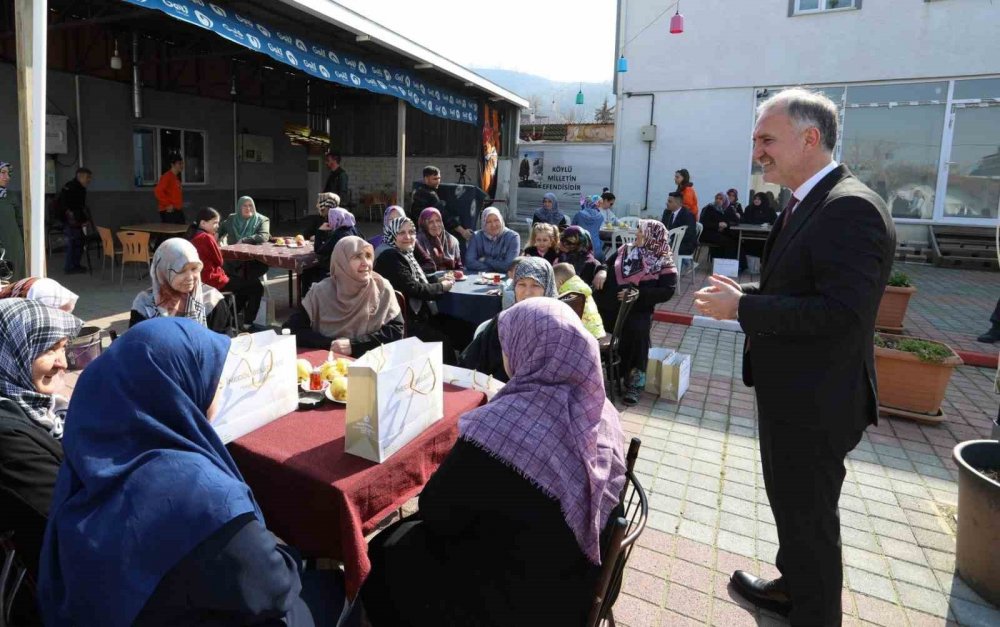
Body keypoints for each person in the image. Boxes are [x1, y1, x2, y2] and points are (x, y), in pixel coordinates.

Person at [693, 88, 896, 626]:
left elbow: (841, 312)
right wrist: (751, 293)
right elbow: (805, 284)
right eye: (756, 139)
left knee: (810, 521)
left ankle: (815, 613)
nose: (758, 151)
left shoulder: (849, 207)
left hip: (818, 401)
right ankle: (793, 588)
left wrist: (745, 308)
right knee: (795, 511)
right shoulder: (809, 200)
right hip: (795, 395)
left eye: (767, 139)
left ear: (809, 138)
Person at [38, 318, 340, 626]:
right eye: (214, 380)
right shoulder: (200, 494)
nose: (218, 392)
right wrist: (287, 550)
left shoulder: (87, 456)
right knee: (334, 591)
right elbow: (274, 588)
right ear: (178, 386)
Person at [360, 297, 626, 627]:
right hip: (581, 584)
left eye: (507, 343)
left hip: (519, 603)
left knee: (386, 552)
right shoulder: (602, 413)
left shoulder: (501, 429)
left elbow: (437, 511)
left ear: (527, 348)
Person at [0, 299, 81, 594]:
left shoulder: (46, 407)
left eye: (62, 347)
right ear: (11, 353)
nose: (63, 362)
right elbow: (68, 515)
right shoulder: (7, 438)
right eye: (49, 349)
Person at [594, 219, 677, 406]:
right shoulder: (626, 249)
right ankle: (614, 377)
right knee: (603, 334)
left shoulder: (663, 260)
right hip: (609, 307)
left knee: (637, 334)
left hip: (638, 309)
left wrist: (638, 294)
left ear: (652, 236)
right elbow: (605, 264)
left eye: (641, 231)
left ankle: (634, 384)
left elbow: (668, 290)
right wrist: (602, 271)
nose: (637, 234)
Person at [284, 237, 404, 354]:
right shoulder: (321, 292)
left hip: (371, 363)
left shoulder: (381, 287)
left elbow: (396, 331)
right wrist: (331, 344)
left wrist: (354, 345)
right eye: (357, 257)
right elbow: (292, 329)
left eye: (368, 256)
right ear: (342, 261)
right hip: (329, 365)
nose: (366, 263)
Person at [373, 217, 463, 364]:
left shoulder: (403, 252)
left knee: (460, 327)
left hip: (415, 314)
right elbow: (414, 288)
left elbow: (414, 280)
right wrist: (442, 287)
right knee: (444, 341)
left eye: (411, 232)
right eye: (401, 232)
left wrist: (437, 281)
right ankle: (449, 379)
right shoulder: (389, 256)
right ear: (392, 234)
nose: (408, 237)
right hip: (402, 321)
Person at [459, 257, 557, 382]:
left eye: (536, 285)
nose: (527, 292)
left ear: (547, 288)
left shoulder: (557, 325)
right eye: (521, 284)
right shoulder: (504, 321)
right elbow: (470, 361)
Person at [130, 238, 234, 335]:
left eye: (194, 269)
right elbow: (137, 346)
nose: (190, 277)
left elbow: (224, 345)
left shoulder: (212, 301)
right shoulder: (145, 305)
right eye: (181, 270)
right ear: (163, 272)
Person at [186, 207, 263, 327]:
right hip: (212, 279)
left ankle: (231, 320)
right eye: (215, 223)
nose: (217, 226)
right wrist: (219, 245)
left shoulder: (193, 235)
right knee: (256, 286)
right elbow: (219, 260)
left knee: (244, 285)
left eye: (218, 222)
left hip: (201, 279)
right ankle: (247, 323)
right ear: (203, 223)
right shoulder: (206, 237)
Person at [219, 195, 271, 283]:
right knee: (227, 270)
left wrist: (244, 240)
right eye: (245, 206)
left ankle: (244, 288)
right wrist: (216, 236)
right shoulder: (232, 219)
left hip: (254, 259)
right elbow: (219, 229)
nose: (248, 208)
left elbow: (264, 236)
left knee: (246, 275)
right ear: (239, 207)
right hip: (233, 259)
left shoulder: (262, 220)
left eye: (250, 205)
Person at [553, 262, 606, 340]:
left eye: (554, 283)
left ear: (560, 282)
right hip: (597, 330)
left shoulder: (567, 292)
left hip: (584, 334)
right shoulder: (580, 288)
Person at [55, 167, 93, 274]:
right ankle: (70, 267)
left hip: (74, 221)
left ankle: (75, 265)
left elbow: (79, 207)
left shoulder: (76, 187)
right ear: (80, 176)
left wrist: (83, 219)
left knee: (78, 243)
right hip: (70, 221)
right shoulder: (73, 188)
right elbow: (69, 206)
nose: (89, 180)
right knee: (72, 243)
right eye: (87, 177)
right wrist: (74, 218)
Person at [465, 207, 521, 273]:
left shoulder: (513, 237)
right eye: (488, 222)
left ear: (501, 220)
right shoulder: (476, 236)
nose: (493, 225)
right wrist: (494, 268)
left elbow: (509, 266)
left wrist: (485, 260)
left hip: (504, 279)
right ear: (484, 224)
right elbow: (469, 262)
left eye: (496, 220)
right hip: (479, 278)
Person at [417, 207, 464, 272]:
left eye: (438, 221)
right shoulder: (416, 242)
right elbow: (416, 270)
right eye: (430, 222)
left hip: (451, 280)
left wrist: (457, 274)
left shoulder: (452, 241)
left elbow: (459, 267)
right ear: (423, 224)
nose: (435, 225)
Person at [0, 160, 25, 280]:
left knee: (14, 279)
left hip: (13, 245)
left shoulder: (11, 196)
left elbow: (20, 221)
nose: (7, 177)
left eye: (8, 173)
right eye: (3, 172)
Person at [699, 192, 741, 258]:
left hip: (722, 232)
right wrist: (717, 225)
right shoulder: (709, 208)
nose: (718, 200)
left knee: (736, 240)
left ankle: (734, 264)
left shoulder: (728, 208)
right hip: (708, 233)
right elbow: (704, 223)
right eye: (717, 198)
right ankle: (721, 263)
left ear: (725, 200)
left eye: (721, 199)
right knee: (728, 242)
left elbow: (736, 221)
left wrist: (726, 225)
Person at [661, 191, 698, 256]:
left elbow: (689, 234)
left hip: (683, 244)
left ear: (678, 203)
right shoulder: (667, 212)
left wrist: (671, 240)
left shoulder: (688, 215)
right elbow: (662, 227)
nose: (667, 203)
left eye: (670, 202)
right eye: (667, 201)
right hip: (669, 242)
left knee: (661, 249)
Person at [571, 194, 606, 261]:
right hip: (597, 251)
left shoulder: (579, 214)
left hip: (580, 250)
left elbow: (571, 230)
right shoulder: (600, 217)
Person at [154, 153, 185, 224]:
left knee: (182, 231)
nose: (182, 166)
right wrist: (167, 204)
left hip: (177, 210)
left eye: (182, 163)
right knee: (171, 233)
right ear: (172, 164)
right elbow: (158, 191)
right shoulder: (167, 176)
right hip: (169, 211)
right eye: (179, 163)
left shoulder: (176, 178)